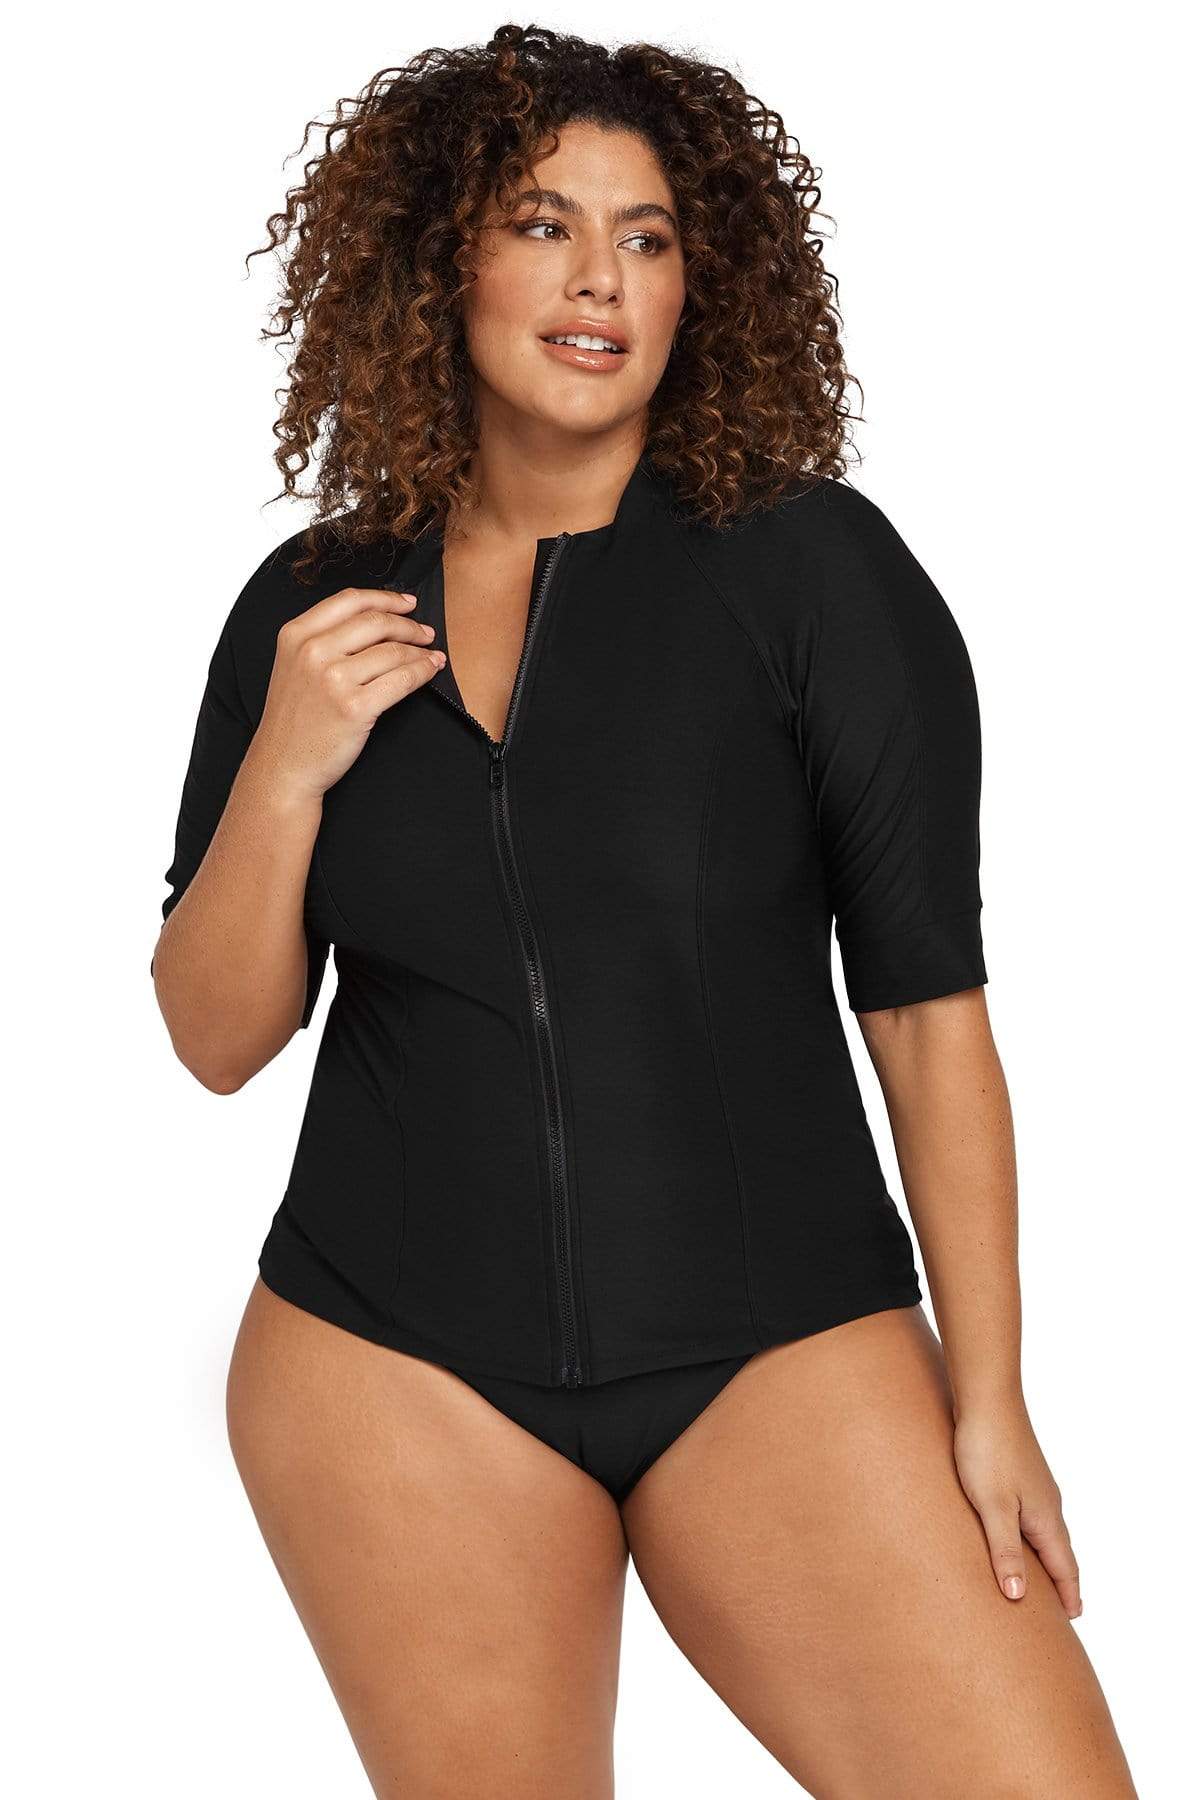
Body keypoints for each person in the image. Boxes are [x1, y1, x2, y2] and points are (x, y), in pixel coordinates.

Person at [151, 24, 1138, 1797]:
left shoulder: (810, 573)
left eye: (648, 236)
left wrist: (989, 1401)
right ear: (443, 263)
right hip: (389, 1363)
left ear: (704, 286)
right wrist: (286, 768)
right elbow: (217, 1037)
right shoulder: (309, 607)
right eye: (544, 225)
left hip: (782, 1341)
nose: (599, 277)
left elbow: (927, 1020)